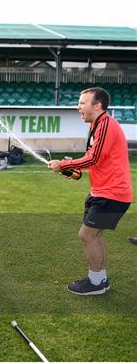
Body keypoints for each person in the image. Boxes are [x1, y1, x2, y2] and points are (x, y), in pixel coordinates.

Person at [48, 87, 133, 295]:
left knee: (87, 236)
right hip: (101, 192)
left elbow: (94, 159)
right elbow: (95, 159)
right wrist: (74, 170)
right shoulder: (97, 125)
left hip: (112, 194)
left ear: (97, 106)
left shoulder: (105, 125)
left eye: (82, 103)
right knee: (94, 236)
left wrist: (65, 164)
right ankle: (100, 280)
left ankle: (96, 284)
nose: (78, 107)